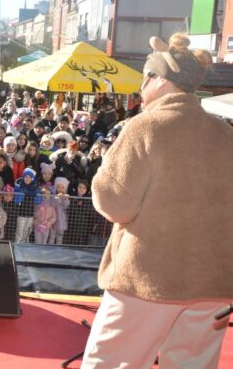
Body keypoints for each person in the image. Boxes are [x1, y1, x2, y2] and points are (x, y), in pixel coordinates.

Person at [82, 34, 232, 368]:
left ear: (161, 79)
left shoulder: (145, 126)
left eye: (145, 77)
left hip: (146, 277)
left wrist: (105, 168)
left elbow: (114, 203)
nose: (141, 86)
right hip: (214, 283)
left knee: (111, 362)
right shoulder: (226, 134)